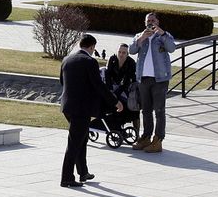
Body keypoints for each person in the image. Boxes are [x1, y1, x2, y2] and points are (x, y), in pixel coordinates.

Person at [59, 34, 122, 188]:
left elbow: (62, 82)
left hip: (67, 106)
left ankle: (83, 172)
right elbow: (99, 86)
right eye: (94, 48)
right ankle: (66, 178)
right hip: (81, 109)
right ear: (92, 47)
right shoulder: (90, 62)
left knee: (82, 138)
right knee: (75, 142)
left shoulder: (67, 59)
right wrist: (115, 101)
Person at [129, 12, 176, 154]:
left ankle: (158, 140)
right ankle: (146, 137)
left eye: (153, 20)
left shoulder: (163, 36)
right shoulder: (140, 36)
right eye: (148, 20)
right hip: (143, 79)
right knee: (146, 110)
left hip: (160, 79)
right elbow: (131, 50)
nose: (150, 22)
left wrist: (161, 33)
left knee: (159, 111)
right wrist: (142, 38)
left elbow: (172, 48)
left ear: (158, 22)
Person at [105, 43, 139, 131]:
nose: (121, 54)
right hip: (113, 85)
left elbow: (127, 82)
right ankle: (115, 126)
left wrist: (116, 94)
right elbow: (107, 76)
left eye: (124, 53)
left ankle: (137, 132)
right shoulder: (112, 59)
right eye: (119, 52)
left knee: (133, 107)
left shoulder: (131, 63)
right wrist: (111, 91)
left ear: (127, 54)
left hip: (128, 87)